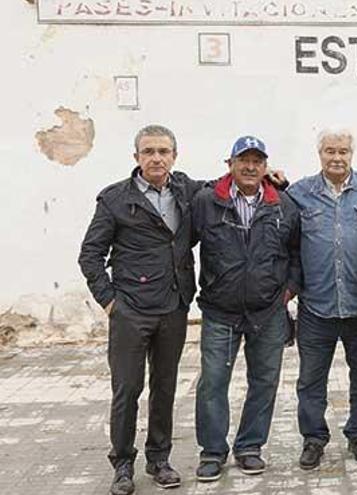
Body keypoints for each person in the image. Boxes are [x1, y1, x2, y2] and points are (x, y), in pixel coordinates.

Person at [79, 125, 203, 494]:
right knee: (127, 389)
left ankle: (159, 459)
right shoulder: (115, 199)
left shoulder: (185, 190)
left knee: (164, 387)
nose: (156, 158)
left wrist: (274, 177)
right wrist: (110, 301)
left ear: (174, 157)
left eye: (163, 151)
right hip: (131, 310)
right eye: (148, 151)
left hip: (173, 306)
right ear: (136, 158)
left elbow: (223, 184)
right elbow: (90, 254)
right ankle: (122, 464)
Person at [191, 136, 301, 482]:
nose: (250, 166)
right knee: (212, 382)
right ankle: (212, 452)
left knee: (265, 382)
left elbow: (297, 252)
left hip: (267, 312)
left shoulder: (283, 204)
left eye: (257, 160)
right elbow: (181, 245)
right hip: (220, 310)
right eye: (244, 160)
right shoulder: (207, 201)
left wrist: (289, 291)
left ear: (266, 167)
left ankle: (250, 447)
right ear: (230, 164)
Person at [286, 129, 357, 469]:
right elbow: (287, 241)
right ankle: (313, 439)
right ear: (320, 153)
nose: (337, 157)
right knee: (311, 380)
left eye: (343, 151)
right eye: (330, 150)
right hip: (317, 306)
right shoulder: (299, 193)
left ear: (351, 154)